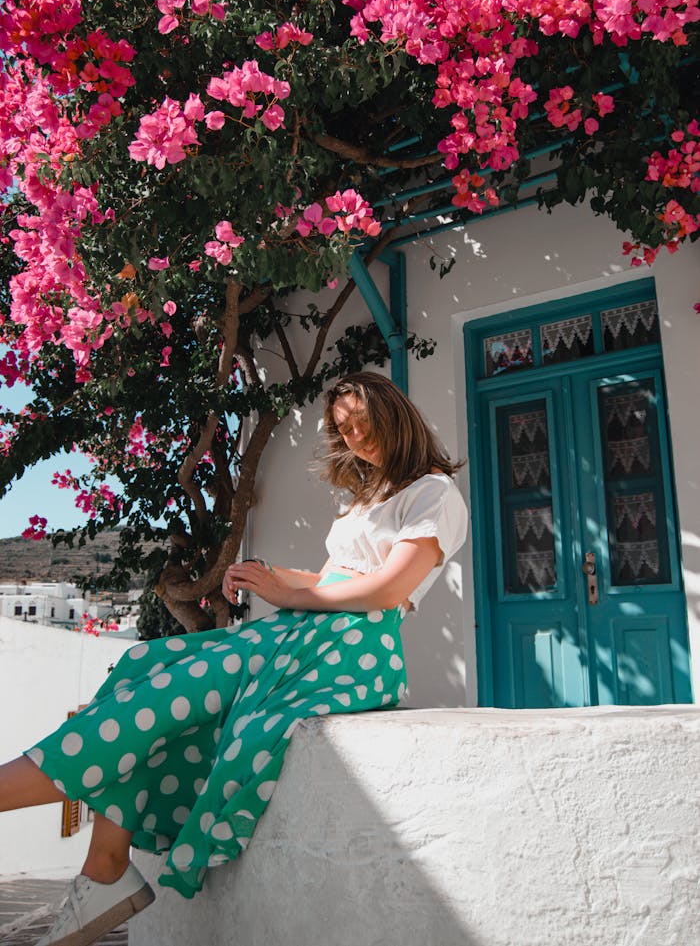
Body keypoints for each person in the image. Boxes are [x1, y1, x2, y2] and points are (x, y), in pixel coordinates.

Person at [0, 371, 468, 946]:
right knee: (145, 668)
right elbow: (331, 579)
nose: (355, 438)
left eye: (363, 424)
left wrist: (290, 595)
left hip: (351, 650)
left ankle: (87, 860)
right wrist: (268, 577)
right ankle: (105, 868)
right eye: (343, 430)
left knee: (160, 699)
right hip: (309, 633)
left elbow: (388, 590)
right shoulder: (365, 497)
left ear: (394, 414)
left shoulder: (434, 493)